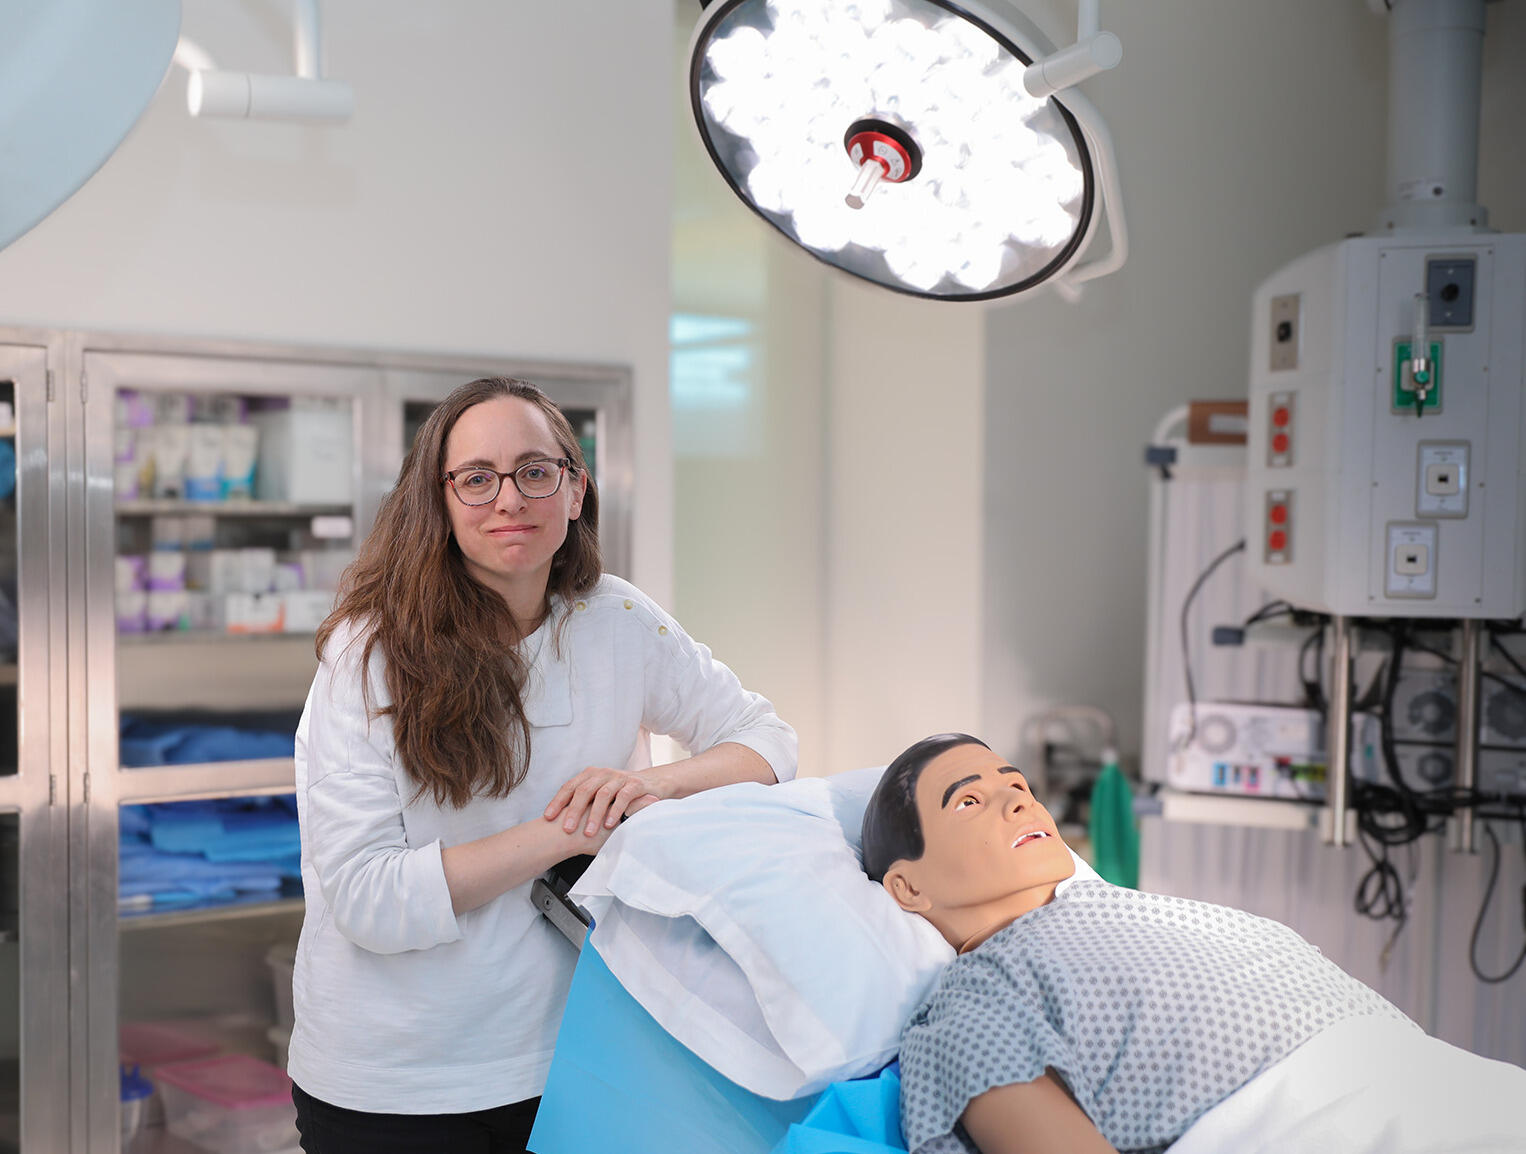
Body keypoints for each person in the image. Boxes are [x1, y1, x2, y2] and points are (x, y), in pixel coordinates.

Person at [287, 376, 797, 1153]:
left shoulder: (615, 618)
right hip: (403, 1082)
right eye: (476, 479)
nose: (508, 499)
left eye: (535, 471)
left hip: (586, 1049)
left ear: (574, 487)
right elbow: (367, 899)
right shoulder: (370, 655)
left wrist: (646, 786)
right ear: (440, 499)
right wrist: (570, 831)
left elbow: (765, 742)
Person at [860, 733, 1526, 1154]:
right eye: (969, 802)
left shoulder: (1121, 908)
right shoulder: (972, 1004)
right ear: (908, 888)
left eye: (1017, 786)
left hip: (1437, 1082)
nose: (1018, 802)